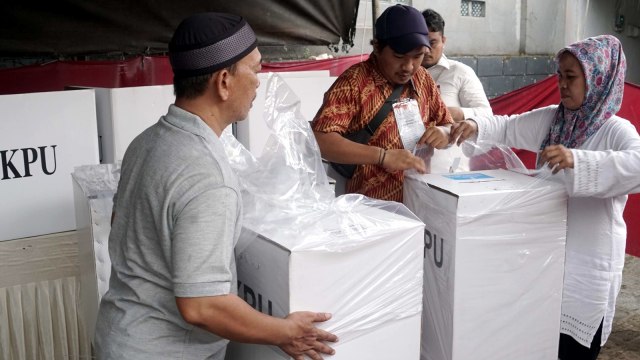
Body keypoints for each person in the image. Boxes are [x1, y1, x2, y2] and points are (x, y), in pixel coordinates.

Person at [94, 13, 337, 360]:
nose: (259, 81)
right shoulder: (207, 174)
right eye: (255, 69)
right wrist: (285, 332)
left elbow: (122, 225)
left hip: (119, 333)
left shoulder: (146, 142)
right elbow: (201, 305)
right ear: (224, 81)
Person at [451, 35, 640, 360]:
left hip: (585, 271)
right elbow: (506, 127)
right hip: (543, 261)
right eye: (560, 76)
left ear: (597, 79)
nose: (562, 85)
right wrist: (472, 125)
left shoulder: (615, 130)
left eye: (572, 77)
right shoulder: (554, 121)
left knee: (573, 349)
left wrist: (578, 160)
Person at [312, 4, 453, 202]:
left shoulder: (423, 79)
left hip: (422, 201)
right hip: (372, 210)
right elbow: (322, 139)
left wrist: (444, 133)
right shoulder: (354, 82)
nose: (409, 66)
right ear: (378, 47)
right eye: (398, 56)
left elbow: (446, 124)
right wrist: (382, 156)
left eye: (417, 56)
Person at [421, 8, 492, 122]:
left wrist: (458, 113)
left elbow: (487, 114)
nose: (426, 50)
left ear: (443, 41)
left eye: (432, 43)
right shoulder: (404, 74)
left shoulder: (461, 72)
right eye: (422, 43)